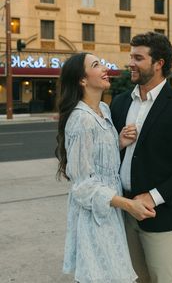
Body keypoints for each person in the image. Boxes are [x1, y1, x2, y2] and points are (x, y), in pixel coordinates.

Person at [110, 32, 172, 283]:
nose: (130, 63)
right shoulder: (120, 103)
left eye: (138, 57)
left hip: (161, 217)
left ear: (159, 64)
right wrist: (117, 143)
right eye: (130, 56)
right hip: (123, 214)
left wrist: (153, 198)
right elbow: (109, 156)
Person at [55, 52, 156, 283]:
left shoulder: (104, 109)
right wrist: (128, 204)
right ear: (82, 79)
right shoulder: (82, 120)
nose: (104, 68)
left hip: (111, 211)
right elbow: (82, 186)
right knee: (100, 276)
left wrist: (118, 142)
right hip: (94, 217)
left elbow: (100, 160)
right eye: (96, 65)